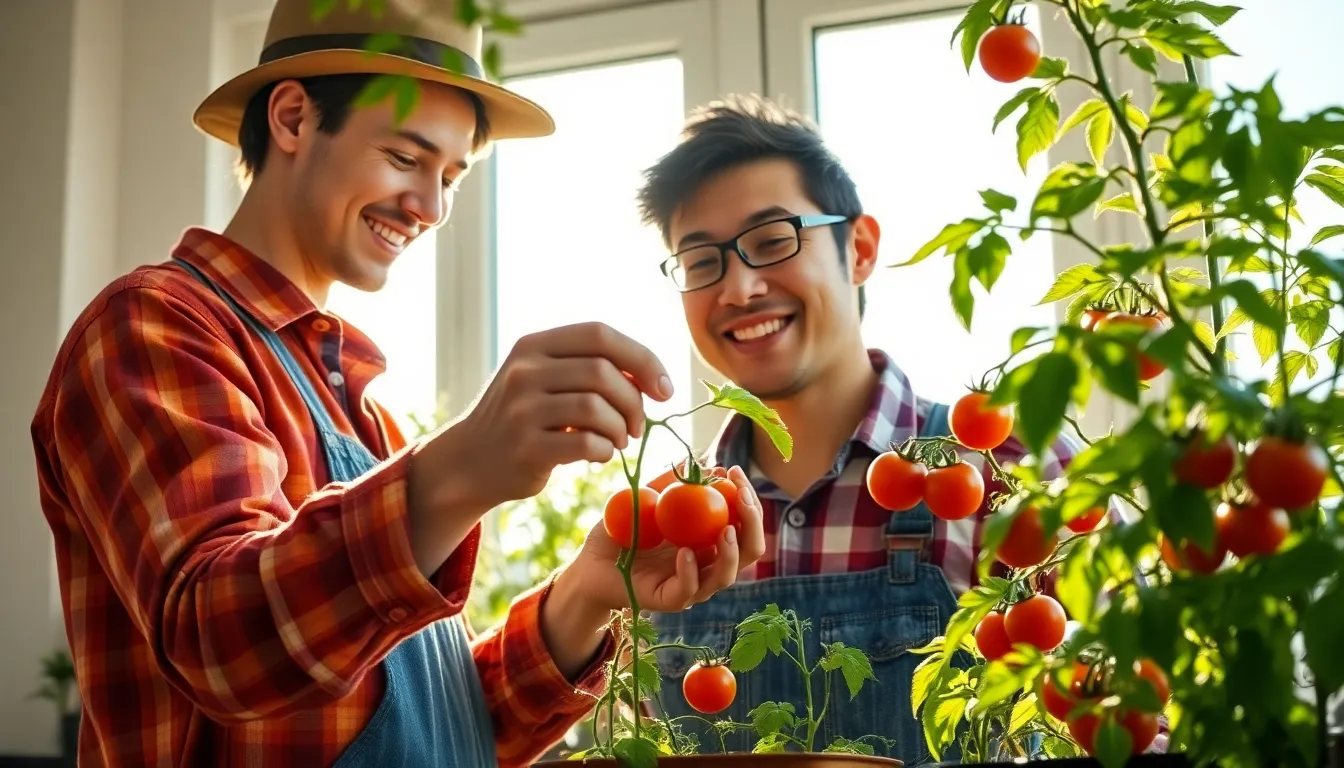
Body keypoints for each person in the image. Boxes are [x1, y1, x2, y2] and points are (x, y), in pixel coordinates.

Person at [28, 2, 766, 766]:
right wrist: (459, 472)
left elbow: (441, 733)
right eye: (407, 157)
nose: (433, 207)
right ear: (291, 117)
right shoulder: (153, 329)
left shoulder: (369, 425)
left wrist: (589, 589)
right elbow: (218, 641)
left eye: (452, 175)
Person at [635, 95, 1089, 765]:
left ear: (861, 249)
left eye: (772, 242)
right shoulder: (661, 524)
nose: (739, 289)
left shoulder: (1009, 472)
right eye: (702, 261)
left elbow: (1121, 722)